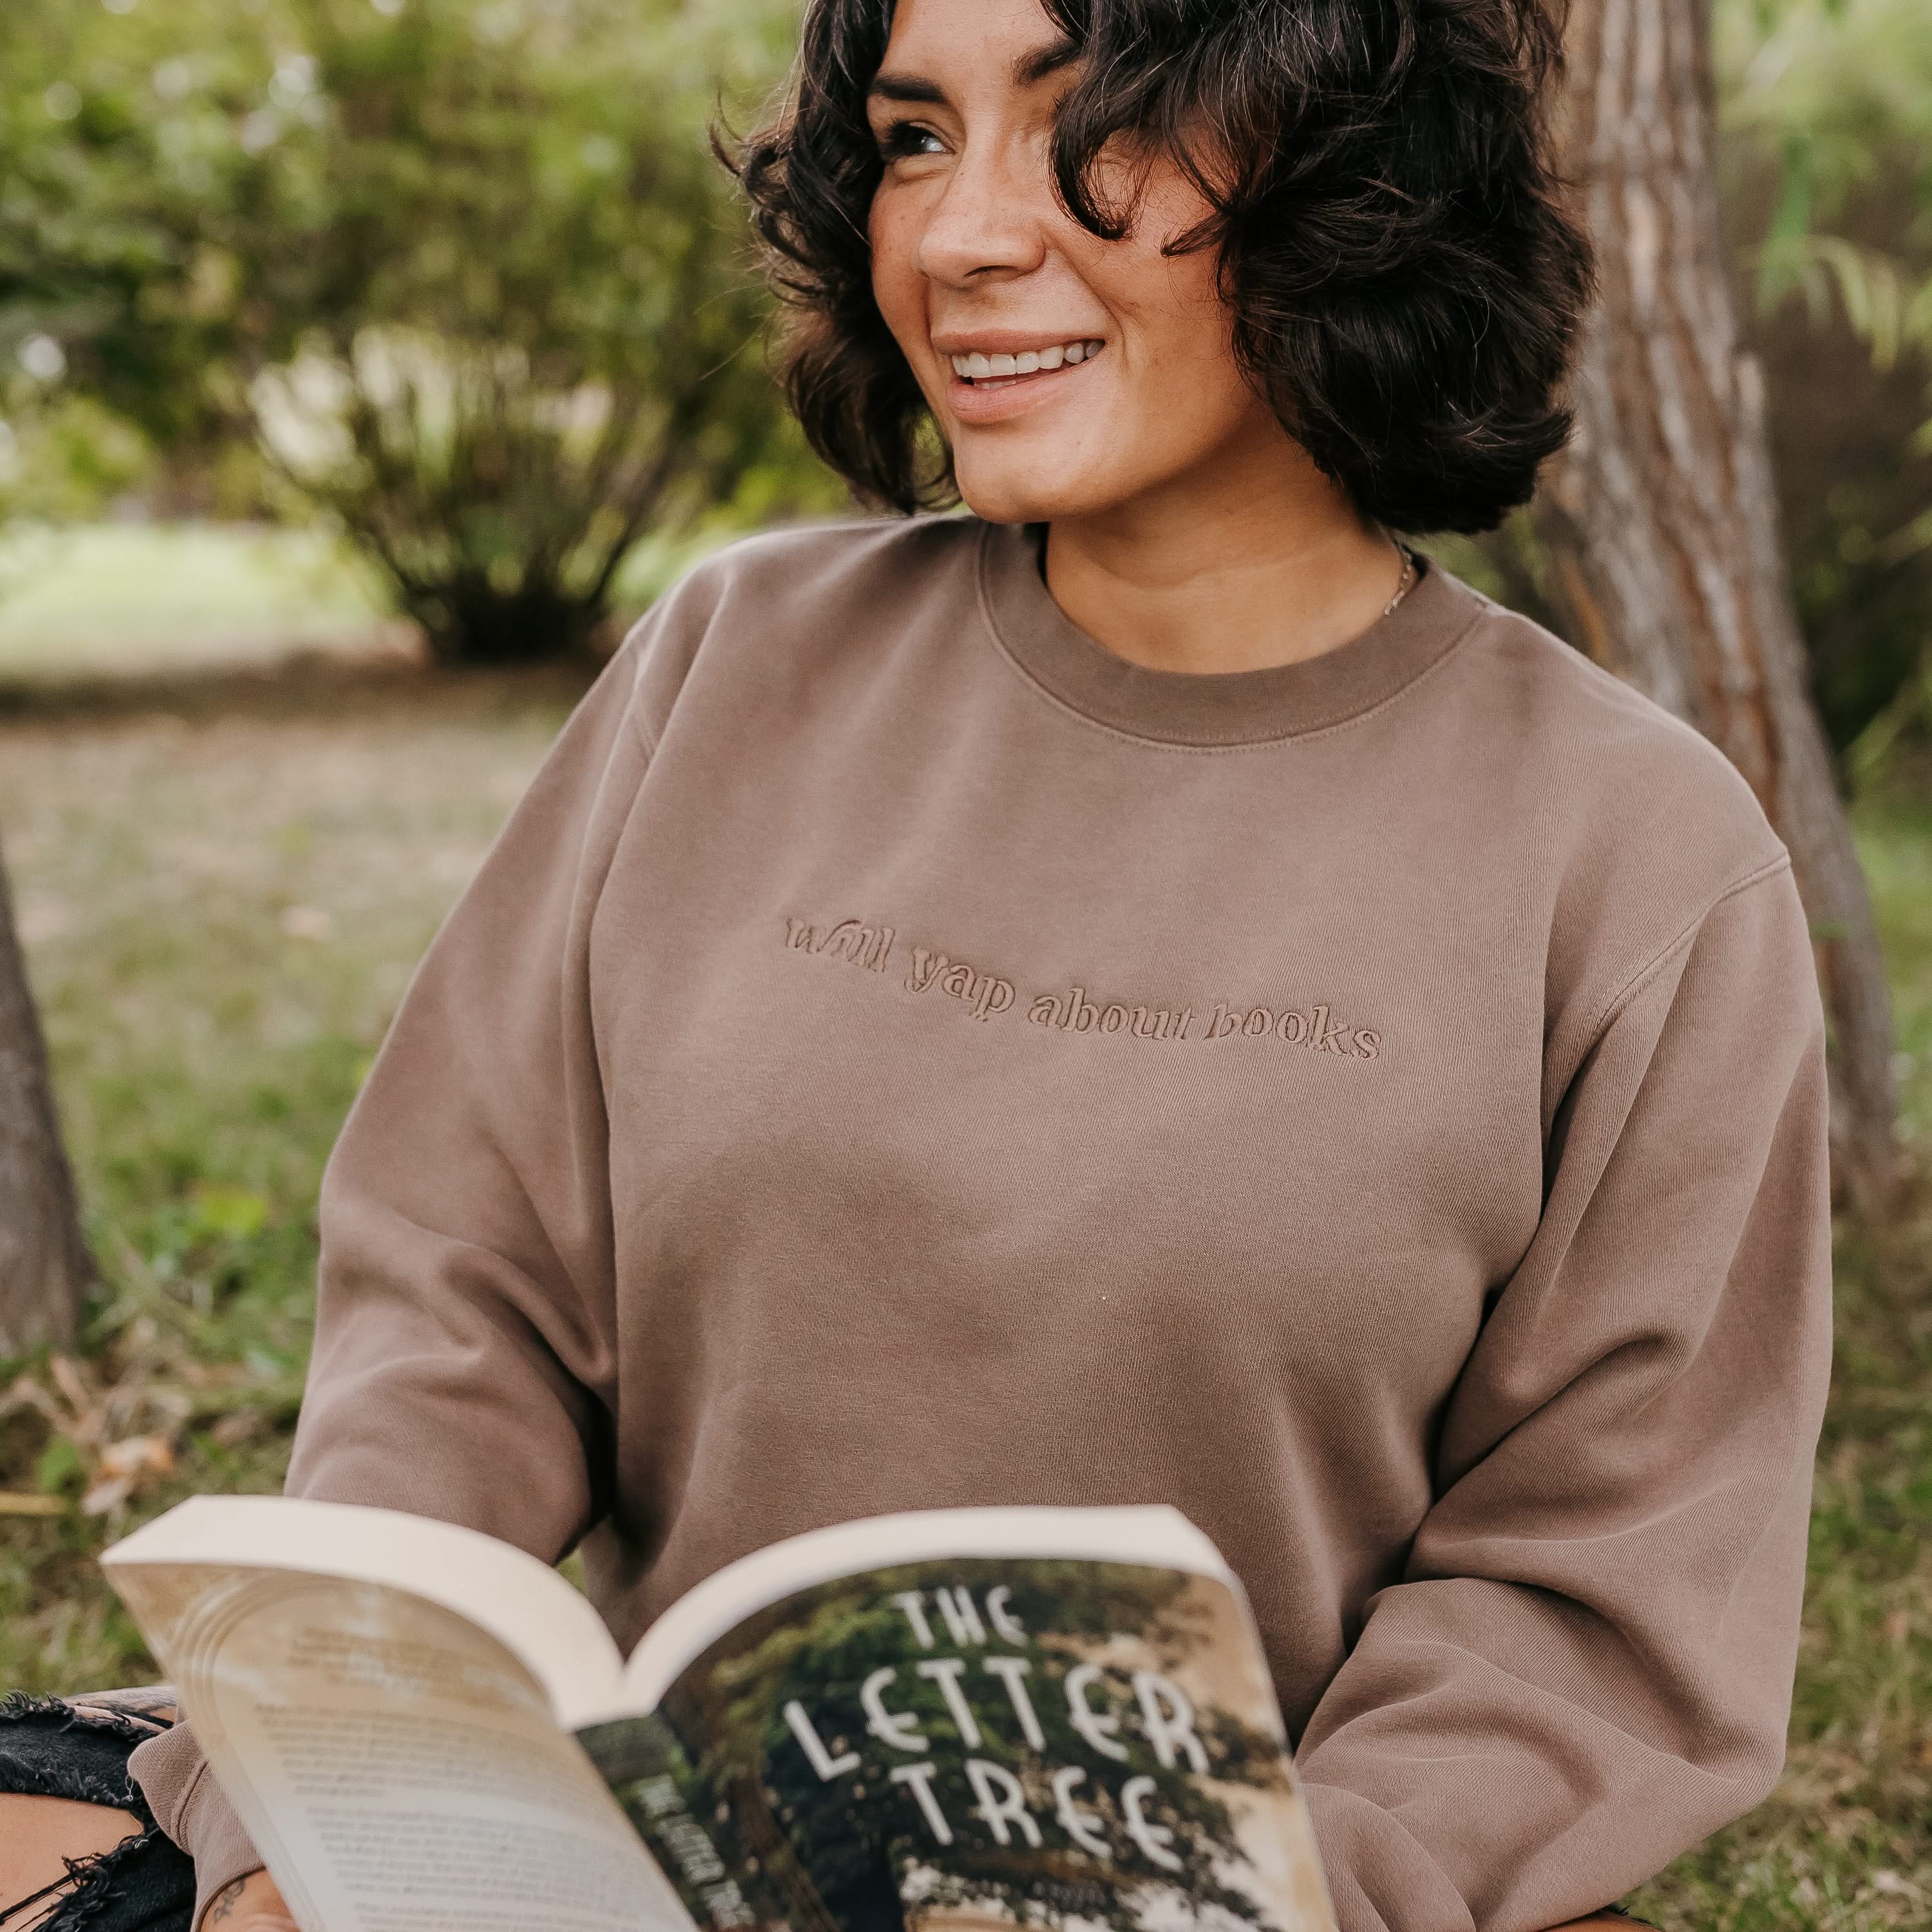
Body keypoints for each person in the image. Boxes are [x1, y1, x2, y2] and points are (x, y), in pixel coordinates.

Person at [1, 0, 1833, 1927]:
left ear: (1352, 174)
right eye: (913, 138)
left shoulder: (1642, 868)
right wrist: (310, 1806)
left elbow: (1587, 1599)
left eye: (1081, 128)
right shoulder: (737, 658)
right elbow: (466, 1307)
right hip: (589, 1858)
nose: (959, 236)